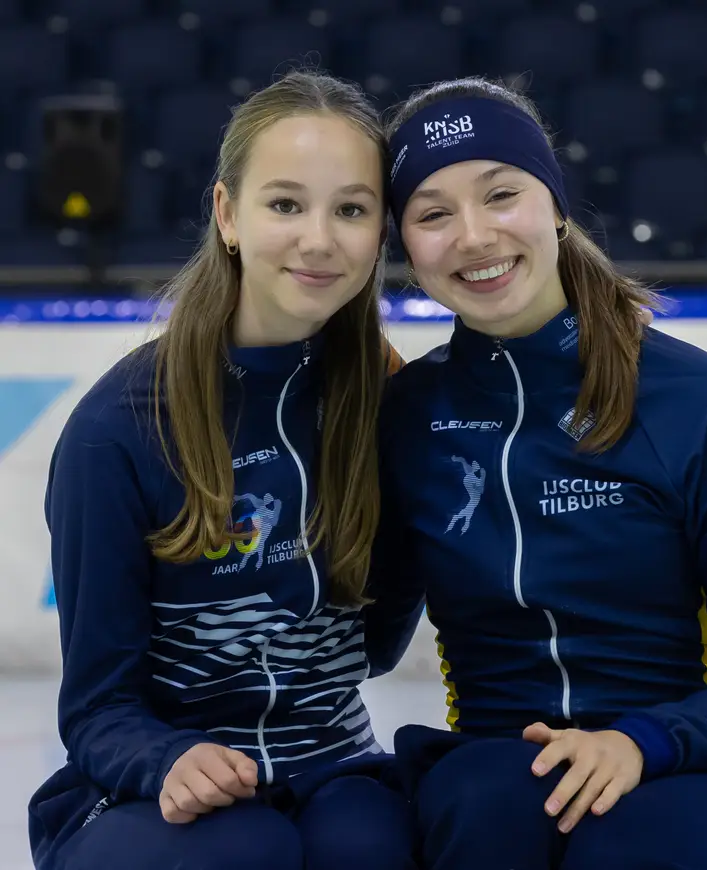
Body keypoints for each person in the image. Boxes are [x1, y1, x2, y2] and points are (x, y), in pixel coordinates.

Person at [368, 76, 707, 870]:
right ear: (405, 245)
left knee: (637, 845)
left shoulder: (697, 400)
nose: (474, 236)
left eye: (501, 194)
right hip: (499, 764)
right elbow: (365, 639)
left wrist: (641, 741)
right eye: (433, 214)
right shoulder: (407, 414)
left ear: (555, 206)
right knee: (479, 813)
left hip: (701, 766)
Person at [28, 71, 420, 870]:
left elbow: (376, 645)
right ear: (227, 213)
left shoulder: (388, 399)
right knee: (245, 849)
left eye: (351, 209)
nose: (319, 239)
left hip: (335, 766)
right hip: (148, 783)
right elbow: (99, 709)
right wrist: (168, 759)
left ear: (382, 229)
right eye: (285, 204)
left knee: (371, 848)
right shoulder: (119, 429)